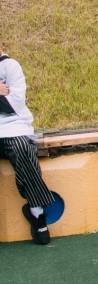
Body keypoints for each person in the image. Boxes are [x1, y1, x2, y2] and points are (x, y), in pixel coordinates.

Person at [0, 51, 55, 245]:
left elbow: (12, 105)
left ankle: (36, 212)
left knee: (23, 148)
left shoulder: (10, 67)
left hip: (13, 129)